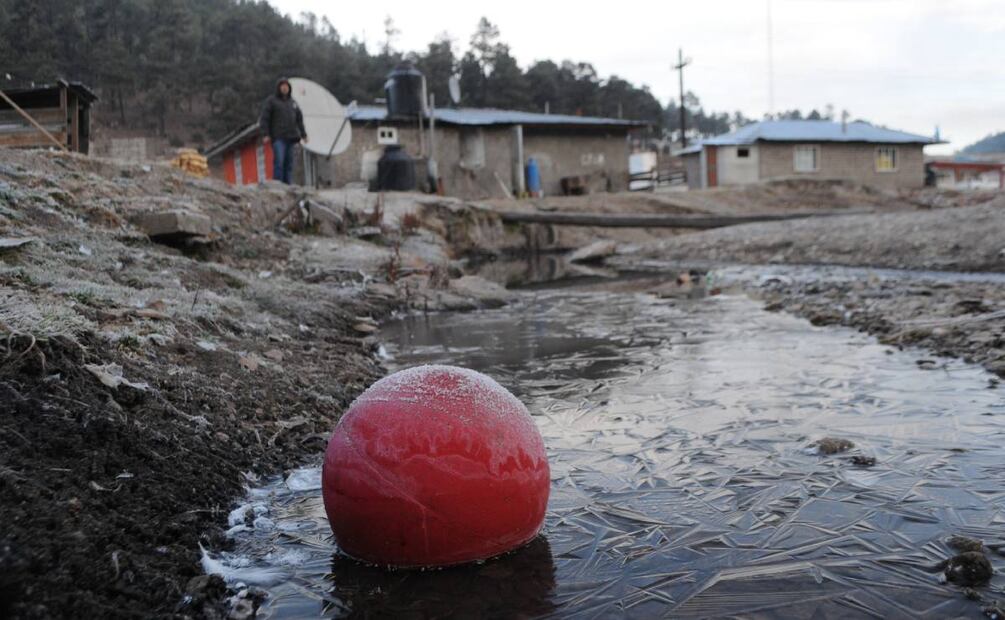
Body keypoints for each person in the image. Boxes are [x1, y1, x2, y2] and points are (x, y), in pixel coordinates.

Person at [259, 78, 307, 184]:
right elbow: (265, 118)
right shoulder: (271, 101)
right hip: (278, 138)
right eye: (283, 86)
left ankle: (287, 185)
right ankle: (278, 185)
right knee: (279, 162)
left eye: (287, 86)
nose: (285, 88)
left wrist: (303, 134)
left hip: (292, 138)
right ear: (279, 88)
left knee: (289, 164)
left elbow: (299, 119)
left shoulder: (293, 103)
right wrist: (265, 134)